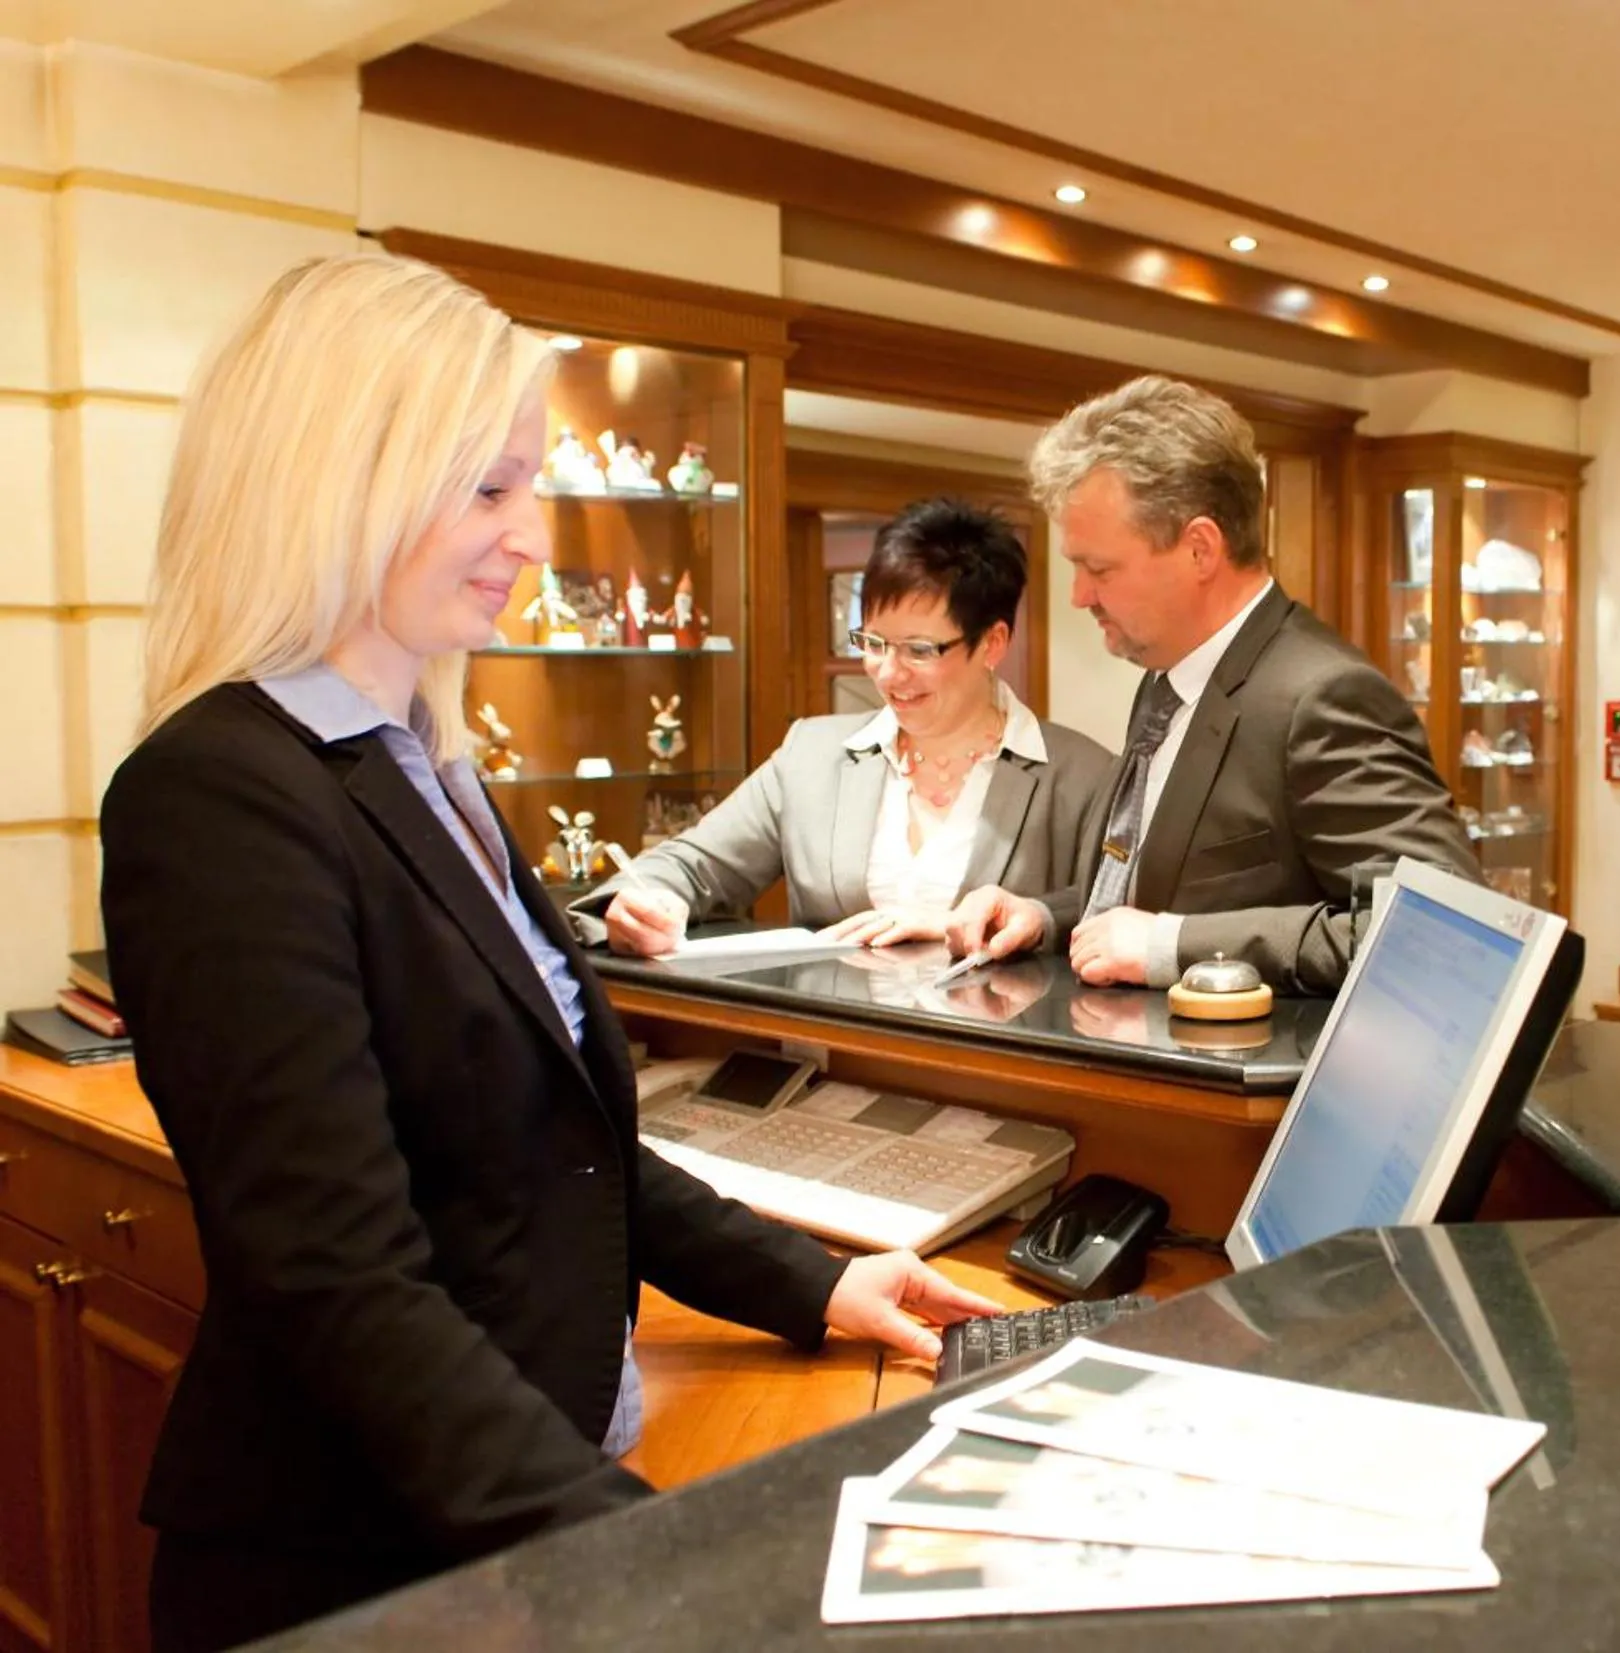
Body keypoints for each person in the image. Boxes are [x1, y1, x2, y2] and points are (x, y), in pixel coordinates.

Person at [99, 251, 1000, 1653]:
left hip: (503, 1517)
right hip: (366, 1563)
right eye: (489, 487)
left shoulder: (424, 770)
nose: (534, 531)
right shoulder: (217, 791)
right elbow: (338, 1281)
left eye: (532, 481)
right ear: (341, 480)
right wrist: (635, 1548)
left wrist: (811, 1280)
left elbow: (565, 1146)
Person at [947, 375, 1479, 993]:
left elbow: (1440, 934)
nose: (1079, 596)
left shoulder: (1324, 700)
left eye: (1099, 569)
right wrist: (1045, 917)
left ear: (1200, 549)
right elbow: (1158, 888)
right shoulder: (1165, 678)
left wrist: (1175, 945)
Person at [572, 499, 1113, 956]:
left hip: (1003, 1065)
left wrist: (1030, 917)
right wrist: (650, 902)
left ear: (992, 643)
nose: (888, 671)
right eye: (874, 642)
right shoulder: (811, 753)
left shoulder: (1082, 776)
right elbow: (692, 863)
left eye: (920, 650)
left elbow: (1115, 910)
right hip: (832, 1058)